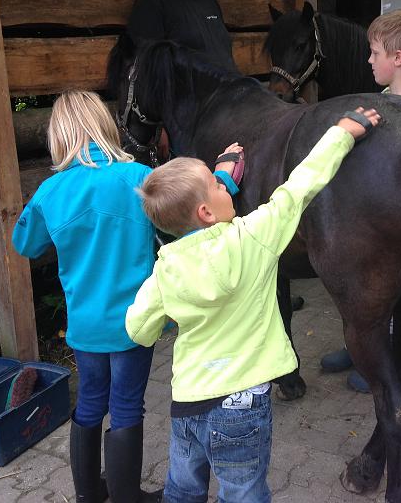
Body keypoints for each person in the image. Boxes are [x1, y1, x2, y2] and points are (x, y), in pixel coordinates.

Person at [125, 107, 381, 503]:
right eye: (216, 182)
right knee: (243, 494)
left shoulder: (166, 269)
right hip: (240, 407)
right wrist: (342, 133)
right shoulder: (254, 237)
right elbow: (299, 186)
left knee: (182, 489)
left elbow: (138, 329)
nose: (225, 184)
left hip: (188, 403)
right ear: (207, 211)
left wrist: (174, 316)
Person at [12, 91, 241, 503]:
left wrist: (41, 207)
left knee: (89, 403)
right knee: (126, 405)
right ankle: (125, 497)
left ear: (59, 135)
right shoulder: (137, 177)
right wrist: (222, 178)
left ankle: (88, 495)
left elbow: (24, 244)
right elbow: (184, 215)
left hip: (84, 324)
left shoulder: (51, 190)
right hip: (136, 320)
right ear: (105, 125)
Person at [319, 8, 401, 393]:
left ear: (397, 58)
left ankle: (386, 362)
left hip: (395, 222)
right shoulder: (384, 98)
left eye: (375, 53)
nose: (369, 60)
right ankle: (358, 347)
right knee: (357, 288)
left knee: (388, 296)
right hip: (366, 215)